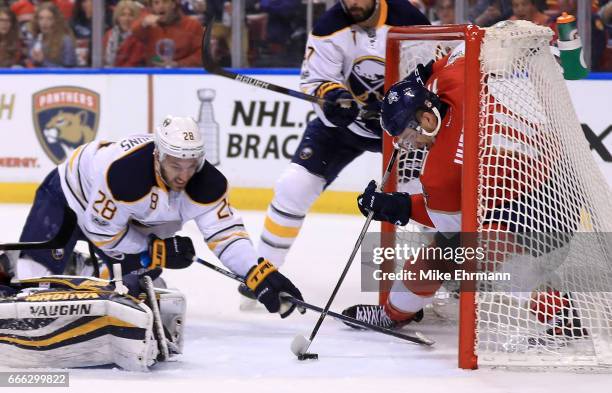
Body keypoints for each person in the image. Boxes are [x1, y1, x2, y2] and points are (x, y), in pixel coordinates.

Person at [341, 44, 586, 341]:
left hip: (545, 205)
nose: (412, 145)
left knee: (484, 248)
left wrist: (398, 207)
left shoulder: (439, 173)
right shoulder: (455, 79)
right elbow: (466, 47)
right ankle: (393, 314)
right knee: (434, 259)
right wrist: (427, 71)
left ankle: (563, 318)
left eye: (408, 136)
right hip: (565, 183)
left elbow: (455, 227)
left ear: (427, 119)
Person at [9, 115, 304, 319]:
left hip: (126, 225)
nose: (184, 174)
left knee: (149, 299)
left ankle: (85, 269)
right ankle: (50, 264)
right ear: (158, 156)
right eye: (176, 165)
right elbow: (101, 233)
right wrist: (153, 250)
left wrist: (260, 274)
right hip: (69, 197)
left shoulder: (207, 183)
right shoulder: (124, 174)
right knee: (32, 290)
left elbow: (226, 236)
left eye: (191, 164)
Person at [256, 0, 430, 277]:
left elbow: (431, 75)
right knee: (294, 186)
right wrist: (333, 99)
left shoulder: (408, 19)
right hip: (344, 130)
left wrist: (399, 107)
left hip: (405, 134)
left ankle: (451, 270)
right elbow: (316, 82)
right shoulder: (329, 26)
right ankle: (262, 272)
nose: (352, 3)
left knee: (431, 198)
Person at [131, 0, 203, 67]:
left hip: (183, 74)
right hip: (152, 74)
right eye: (156, 2)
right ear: (152, 7)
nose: (161, 6)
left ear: (173, 4)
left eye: (165, 2)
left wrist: (179, 64)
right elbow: (134, 31)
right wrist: (143, 23)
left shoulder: (192, 25)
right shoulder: (147, 24)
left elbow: (202, 53)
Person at [26, 2, 76, 67]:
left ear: (56, 20)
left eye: (49, 19)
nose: (44, 23)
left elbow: (70, 71)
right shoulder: (34, 39)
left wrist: (43, 61)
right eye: (41, 18)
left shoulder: (66, 41)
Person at [103, 0, 145, 67]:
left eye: (130, 15)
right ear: (118, 17)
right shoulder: (108, 35)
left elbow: (132, 64)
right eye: (123, 15)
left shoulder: (139, 38)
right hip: (107, 75)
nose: (126, 19)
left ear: (136, 18)